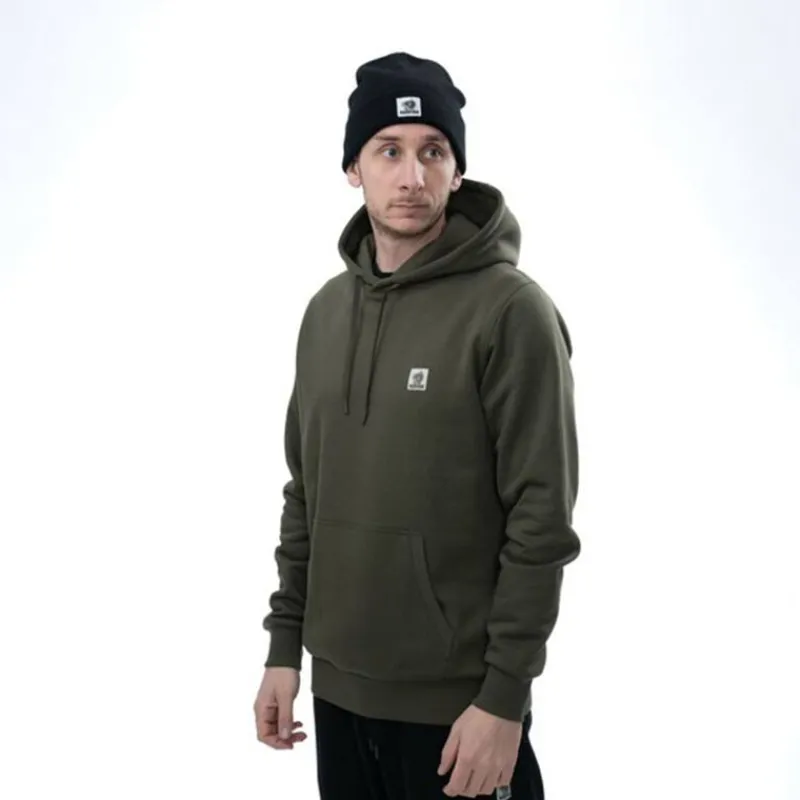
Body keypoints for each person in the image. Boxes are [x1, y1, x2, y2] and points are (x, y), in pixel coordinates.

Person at [254, 51, 581, 799]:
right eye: (389, 151)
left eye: (434, 152)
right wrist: (284, 648)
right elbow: (305, 492)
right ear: (353, 168)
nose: (412, 177)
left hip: (459, 710)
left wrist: (504, 697)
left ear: (457, 171)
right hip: (338, 696)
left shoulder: (511, 313)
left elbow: (541, 522)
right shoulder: (324, 313)